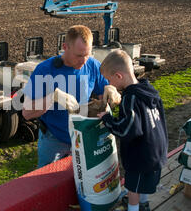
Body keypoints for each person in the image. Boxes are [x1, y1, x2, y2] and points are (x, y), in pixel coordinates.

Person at [22, 25, 120, 168]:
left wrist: (112, 91)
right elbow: (26, 112)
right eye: (79, 55)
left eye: (87, 54)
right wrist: (52, 98)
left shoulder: (92, 65)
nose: (84, 60)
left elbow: (103, 95)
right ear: (65, 47)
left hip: (84, 136)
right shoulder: (45, 70)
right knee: (47, 182)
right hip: (54, 140)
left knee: (80, 180)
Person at [97, 49, 168, 211]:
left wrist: (107, 119)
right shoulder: (148, 89)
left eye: (109, 80)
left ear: (119, 76)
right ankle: (143, 204)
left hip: (141, 153)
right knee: (143, 181)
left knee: (133, 185)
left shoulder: (130, 98)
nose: (109, 84)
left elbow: (127, 130)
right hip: (157, 147)